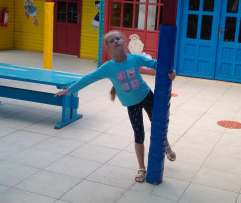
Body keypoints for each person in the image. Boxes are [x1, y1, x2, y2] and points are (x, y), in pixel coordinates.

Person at [55, 30, 176, 183]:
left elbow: (156, 64)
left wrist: (172, 71)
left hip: (147, 96)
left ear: (124, 42)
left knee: (157, 125)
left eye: (118, 38)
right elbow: (89, 78)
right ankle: (141, 167)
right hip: (131, 104)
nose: (116, 41)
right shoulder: (108, 67)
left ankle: (167, 147)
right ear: (108, 48)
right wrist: (70, 89)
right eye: (112, 41)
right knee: (139, 135)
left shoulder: (134, 58)